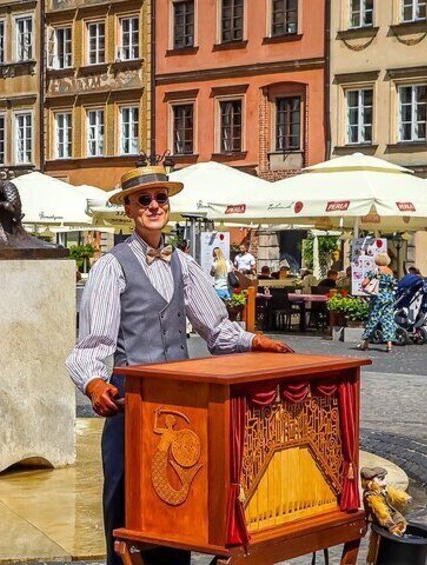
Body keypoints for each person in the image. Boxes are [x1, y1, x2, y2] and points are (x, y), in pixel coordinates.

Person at [65, 166, 293, 565]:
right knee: (127, 510)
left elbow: (216, 330)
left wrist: (253, 340)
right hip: (131, 406)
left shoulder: (183, 264)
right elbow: (94, 343)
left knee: (182, 507)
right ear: (129, 210)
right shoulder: (111, 265)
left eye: (161, 199)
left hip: (183, 410)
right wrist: (93, 384)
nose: (154, 206)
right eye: (144, 200)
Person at [358, 253, 397, 353]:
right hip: (389, 297)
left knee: (373, 319)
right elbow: (394, 284)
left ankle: (365, 344)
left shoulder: (376, 270)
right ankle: (389, 346)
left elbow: (364, 283)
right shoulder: (390, 271)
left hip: (378, 297)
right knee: (388, 320)